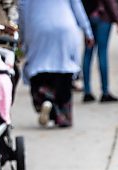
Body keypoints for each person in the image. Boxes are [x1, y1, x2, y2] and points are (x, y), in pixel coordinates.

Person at [19, 0, 94, 128]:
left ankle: (45, 95)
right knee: (64, 70)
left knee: (39, 68)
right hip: (65, 26)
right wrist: (87, 31)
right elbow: (77, 7)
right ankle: (63, 114)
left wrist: (22, 37)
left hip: (39, 27)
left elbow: (22, 10)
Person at [82, 0, 118, 103]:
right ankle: (105, 92)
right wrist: (117, 19)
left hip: (88, 17)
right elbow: (110, 2)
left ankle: (87, 91)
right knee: (102, 53)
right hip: (103, 17)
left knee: (87, 54)